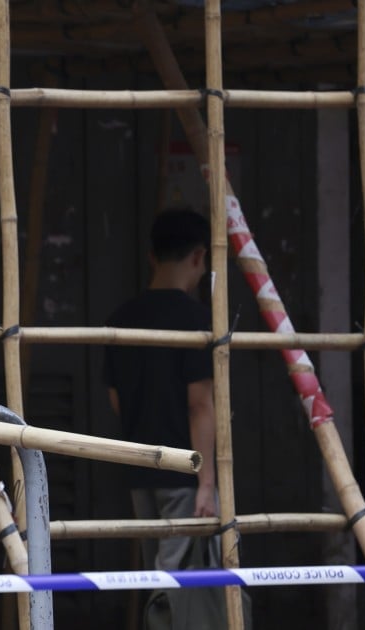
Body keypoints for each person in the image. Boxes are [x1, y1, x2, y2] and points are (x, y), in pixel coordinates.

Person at [103, 208, 216, 572]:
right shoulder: (196, 320)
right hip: (185, 473)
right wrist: (207, 482)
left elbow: (116, 397)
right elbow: (200, 405)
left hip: (141, 468)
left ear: (152, 257)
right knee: (178, 584)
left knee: (157, 575)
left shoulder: (120, 319)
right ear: (199, 257)